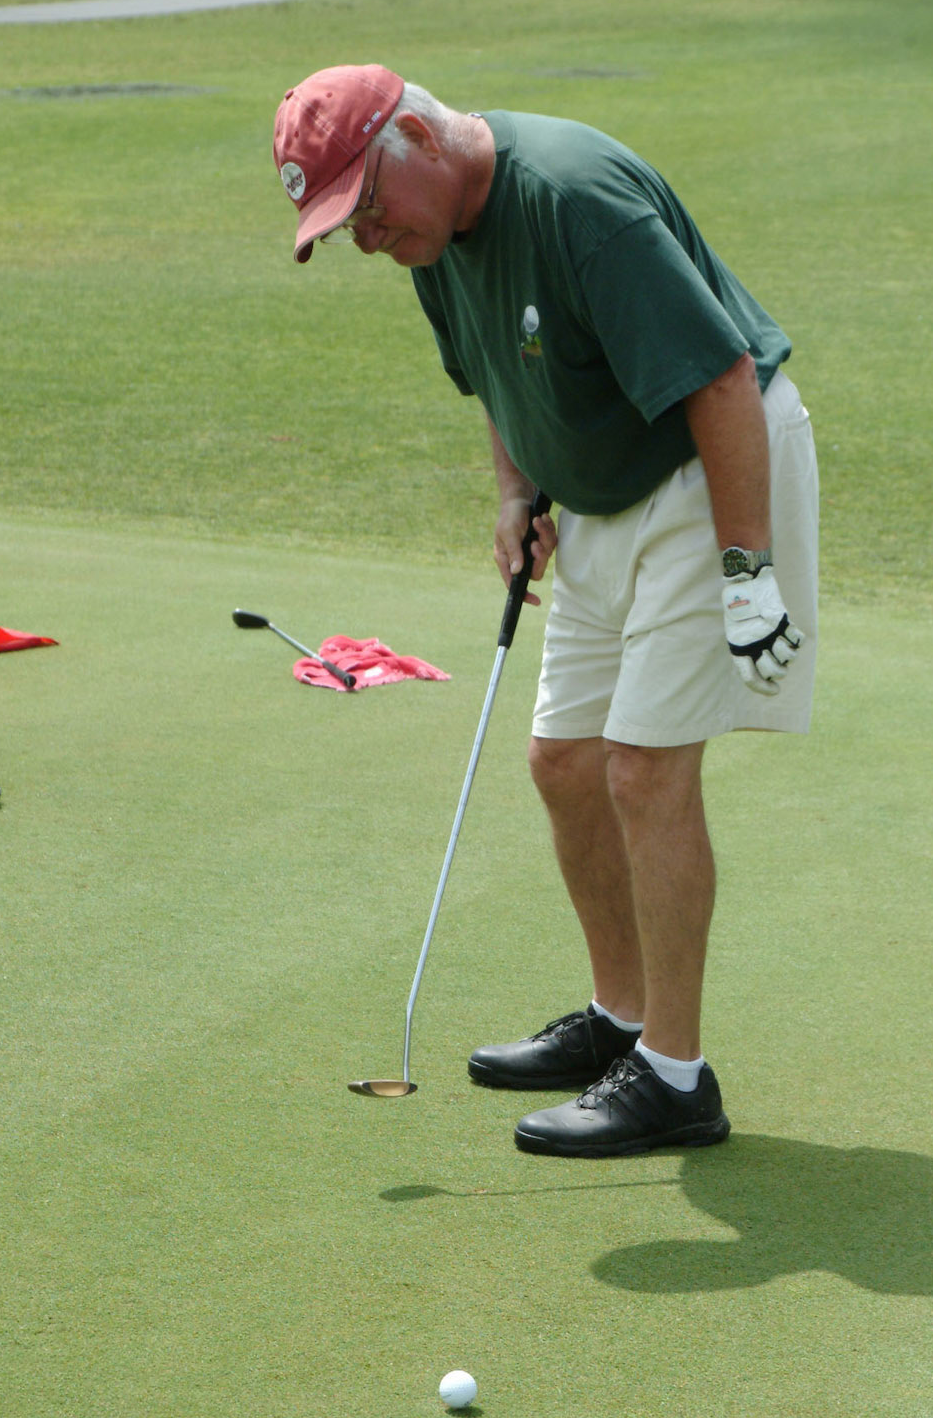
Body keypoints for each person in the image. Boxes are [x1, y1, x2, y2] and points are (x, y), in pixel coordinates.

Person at [273, 64, 819, 1157]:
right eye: (346, 229)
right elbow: (498, 380)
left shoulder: (574, 199)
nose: (370, 241)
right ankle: (622, 1022)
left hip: (709, 468)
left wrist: (747, 570)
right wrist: (517, 494)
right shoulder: (435, 246)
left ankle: (674, 1075)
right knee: (563, 759)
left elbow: (717, 377)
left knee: (644, 765)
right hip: (606, 493)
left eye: (369, 208)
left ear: (420, 135)